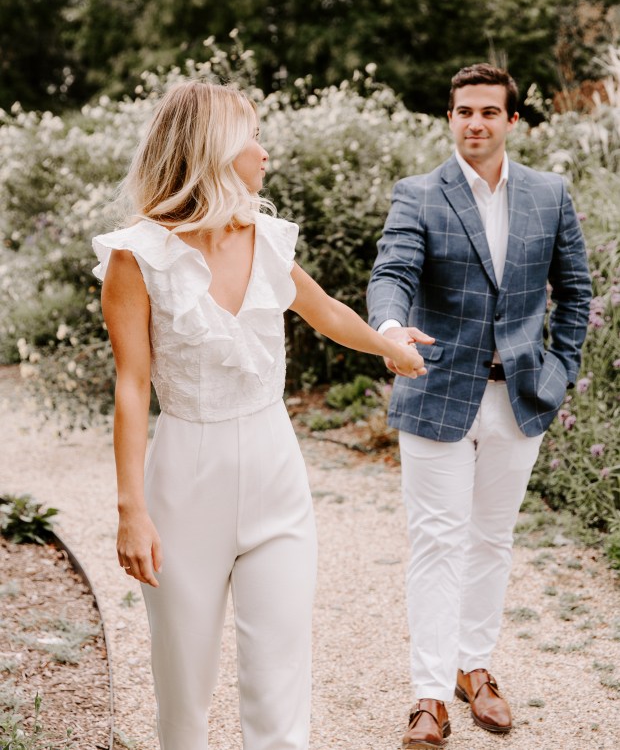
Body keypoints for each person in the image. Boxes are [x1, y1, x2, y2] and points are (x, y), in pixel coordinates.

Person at [93, 80, 426, 750]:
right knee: (183, 697)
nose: (264, 151)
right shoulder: (137, 257)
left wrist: (390, 346)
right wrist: (131, 511)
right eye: (252, 136)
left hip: (278, 472)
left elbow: (326, 312)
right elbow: (132, 386)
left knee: (280, 691)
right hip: (185, 482)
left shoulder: (269, 240)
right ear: (214, 150)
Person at [367, 63, 591, 748]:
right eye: (464, 111)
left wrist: (559, 371)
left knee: (492, 539)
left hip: (519, 397)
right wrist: (389, 328)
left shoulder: (549, 194)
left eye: (489, 112)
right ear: (449, 117)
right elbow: (392, 272)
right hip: (436, 390)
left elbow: (576, 291)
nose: (475, 122)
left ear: (512, 121)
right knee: (438, 542)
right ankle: (430, 696)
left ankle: (476, 668)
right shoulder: (418, 193)